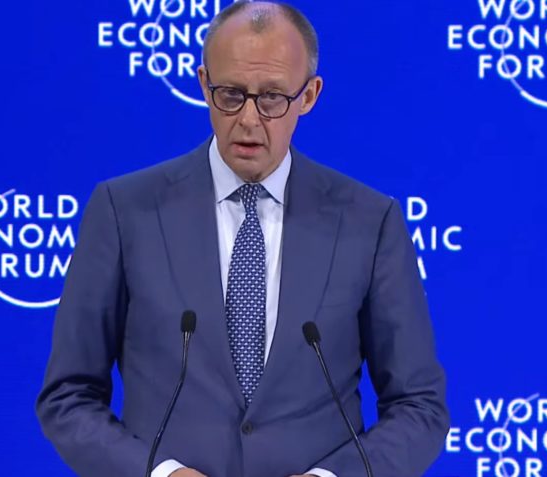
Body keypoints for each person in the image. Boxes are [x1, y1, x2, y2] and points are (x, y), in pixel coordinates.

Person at [36, 2, 449, 476]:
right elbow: (68, 395)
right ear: (203, 84)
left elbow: (420, 406)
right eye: (231, 94)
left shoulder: (369, 222)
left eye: (272, 97)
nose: (249, 119)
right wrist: (158, 474)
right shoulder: (124, 211)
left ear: (309, 95)